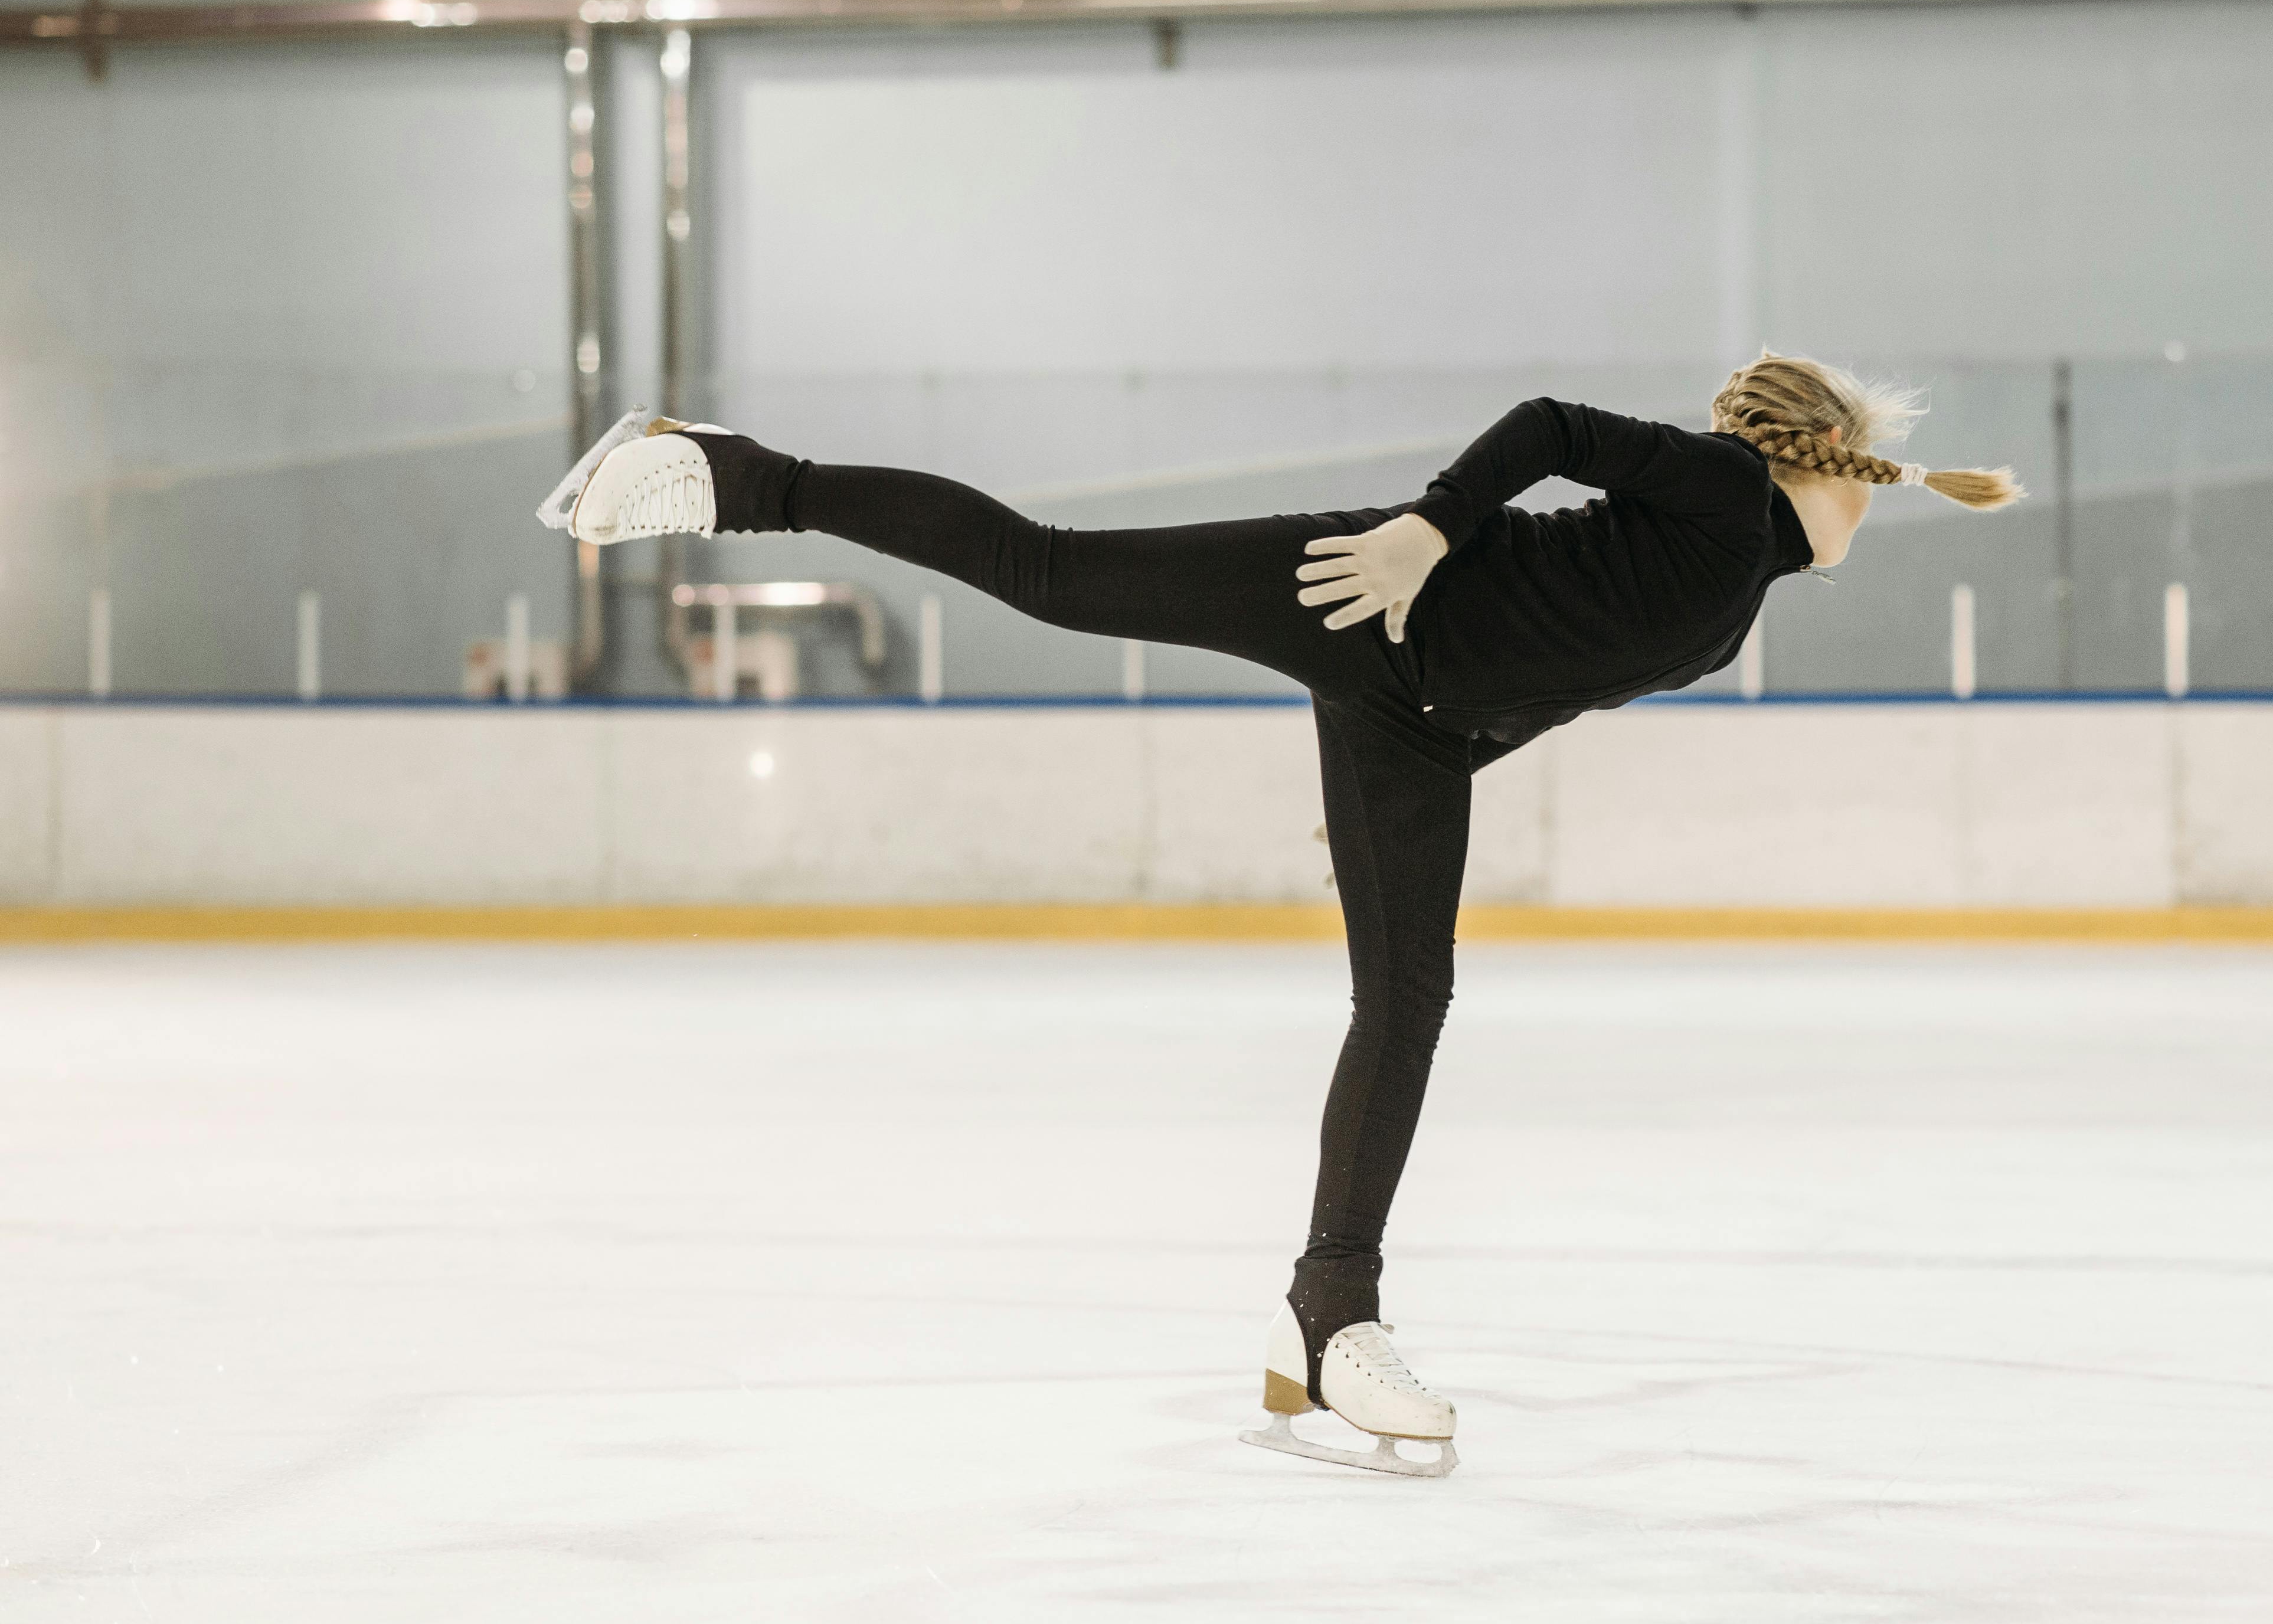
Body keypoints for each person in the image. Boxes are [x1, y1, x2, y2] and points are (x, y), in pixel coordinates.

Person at [537, 352, 2019, 1478]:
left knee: (1410, 1005)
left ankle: (1326, 1318)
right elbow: (1554, 427)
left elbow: (1549, 680)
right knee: (1053, 572)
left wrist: (1397, 777)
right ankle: (737, 476)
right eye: (1868, 503)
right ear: (1827, 466)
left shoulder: (1729, 611)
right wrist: (1431, 532)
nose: (1866, 530)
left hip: (1418, 723)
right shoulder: (1723, 493)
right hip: (1350, 585)